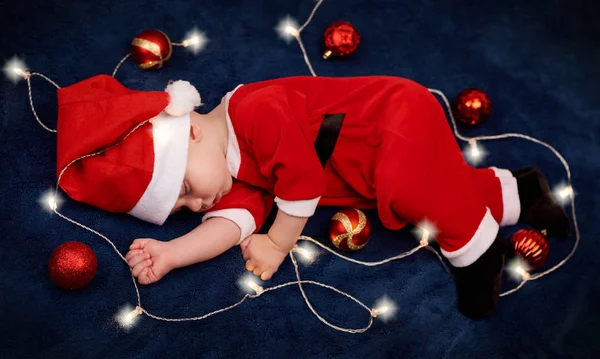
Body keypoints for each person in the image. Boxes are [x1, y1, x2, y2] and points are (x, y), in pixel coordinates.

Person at [55, 74, 570, 319]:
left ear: (189, 131)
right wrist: (172, 253)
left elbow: (302, 183)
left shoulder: (254, 111)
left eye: (186, 190)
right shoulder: (229, 173)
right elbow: (234, 223)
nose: (198, 203)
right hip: (363, 173)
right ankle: (520, 193)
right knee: (438, 185)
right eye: (183, 207)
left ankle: (478, 255)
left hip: (391, 121)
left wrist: (279, 243)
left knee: (415, 188)